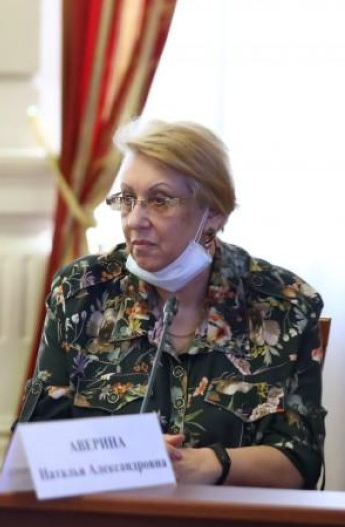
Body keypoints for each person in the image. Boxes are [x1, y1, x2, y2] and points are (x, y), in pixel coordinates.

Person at [20, 120, 325, 488]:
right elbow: (32, 449)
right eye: (127, 199)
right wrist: (118, 457)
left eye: (159, 200)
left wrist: (208, 464)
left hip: (229, 521)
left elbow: (301, 461)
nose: (135, 220)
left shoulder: (284, 303)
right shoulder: (81, 291)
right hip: (112, 518)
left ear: (213, 213)